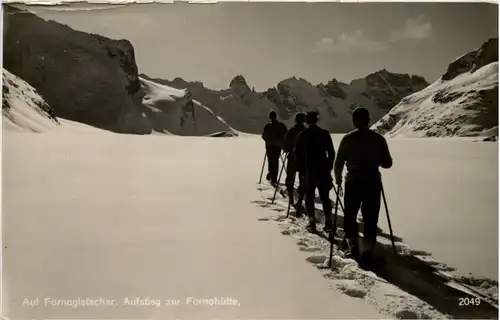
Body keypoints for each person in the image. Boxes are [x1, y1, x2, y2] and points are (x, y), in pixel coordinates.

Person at [333, 107, 393, 262]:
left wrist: (338, 179)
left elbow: (338, 163)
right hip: (372, 181)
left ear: (354, 121)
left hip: (352, 181)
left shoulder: (348, 139)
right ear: (369, 120)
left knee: (350, 215)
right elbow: (388, 163)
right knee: (370, 217)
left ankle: (352, 247)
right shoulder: (379, 139)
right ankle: (367, 250)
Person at [295, 111, 335, 233]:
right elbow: (331, 153)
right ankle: (328, 222)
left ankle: (311, 222)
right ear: (317, 120)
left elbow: (297, 154)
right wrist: (328, 167)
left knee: (309, 198)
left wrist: (301, 170)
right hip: (323, 171)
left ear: (307, 121)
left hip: (309, 171)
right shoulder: (325, 133)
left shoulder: (302, 135)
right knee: (325, 198)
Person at [282, 112, 307, 217]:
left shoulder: (291, 131)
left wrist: (286, 149)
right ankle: (300, 200)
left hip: (292, 158)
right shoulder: (306, 131)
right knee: (303, 180)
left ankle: (291, 197)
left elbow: (285, 144)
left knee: (290, 178)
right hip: (303, 160)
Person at [261, 111, 287, 186]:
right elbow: (285, 134)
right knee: (276, 161)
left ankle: (271, 175)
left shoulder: (268, 126)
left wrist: (267, 140)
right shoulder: (281, 125)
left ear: (270, 117)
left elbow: (264, 135)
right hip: (278, 146)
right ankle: (274, 176)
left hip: (270, 146)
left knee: (271, 161)